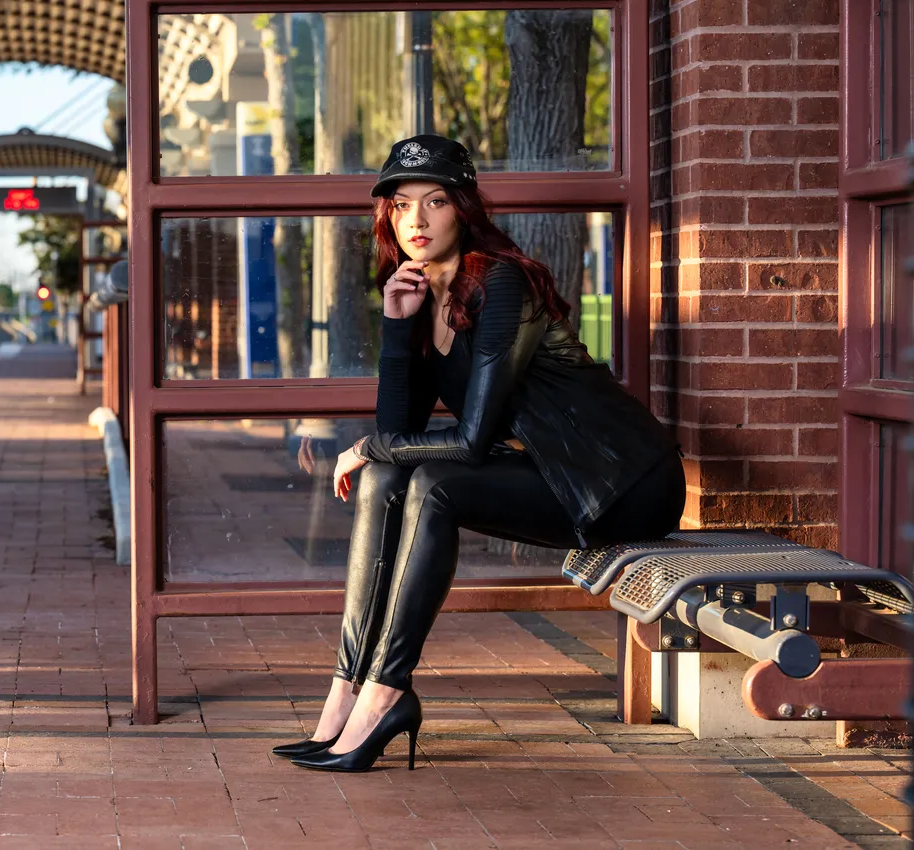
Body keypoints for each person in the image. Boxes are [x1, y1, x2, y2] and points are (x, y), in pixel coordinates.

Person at [276, 136, 686, 773]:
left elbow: (469, 442)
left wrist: (365, 445)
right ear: (387, 216)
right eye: (401, 204)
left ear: (462, 210)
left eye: (435, 201)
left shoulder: (501, 283)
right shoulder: (420, 294)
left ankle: (386, 692)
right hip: (548, 471)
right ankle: (346, 692)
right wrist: (396, 325)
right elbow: (398, 434)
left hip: (621, 482)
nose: (416, 219)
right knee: (387, 476)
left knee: (433, 487)